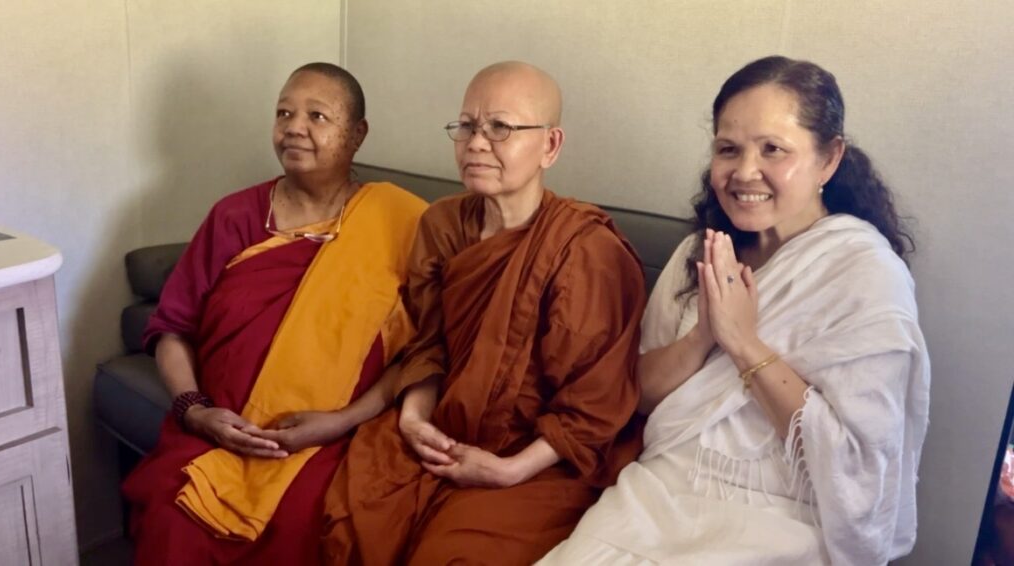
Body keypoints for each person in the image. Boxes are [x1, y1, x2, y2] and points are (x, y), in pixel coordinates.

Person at [540, 55, 930, 565]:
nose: (745, 172)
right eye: (729, 149)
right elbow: (637, 395)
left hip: (789, 517)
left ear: (828, 159)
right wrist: (704, 333)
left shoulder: (865, 275)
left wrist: (743, 343)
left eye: (773, 149)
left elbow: (859, 468)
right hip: (659, 494)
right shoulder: (699, 254)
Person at [321, 61, 646, 565]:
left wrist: (510, 470)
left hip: (540, 459)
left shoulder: (586, 250)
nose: (476, 142)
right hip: (443, 428)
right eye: (467, 126)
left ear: (550, 146)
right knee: (343, 526)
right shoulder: (443, 224)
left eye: (500, 127)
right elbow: (428, 341)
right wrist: (413, 416)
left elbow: (594, 402)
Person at [121, 62, 427, 565]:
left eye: (317, 116)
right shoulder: (234, 216)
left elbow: (423, 352)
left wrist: (340, 422)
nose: (294, 127)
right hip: (218, 433)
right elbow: (172, 327)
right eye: (284, 112)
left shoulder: (403, 221)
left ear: (358, 134)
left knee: (312, 527)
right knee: (174, 524)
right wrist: (195, 410)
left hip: (331, 440)